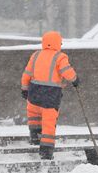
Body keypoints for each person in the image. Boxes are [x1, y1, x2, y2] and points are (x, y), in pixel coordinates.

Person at [21, 31, 80, 160]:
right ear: (57, 43)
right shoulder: (60, 56)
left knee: (34, 114)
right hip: (50, 94)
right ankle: (46, 151)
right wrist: (75, 79)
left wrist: (25, 88)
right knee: (49, 121)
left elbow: (27, 73)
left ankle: (35, 136)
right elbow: (66, 71)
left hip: (34, 91)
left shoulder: (36, 55)